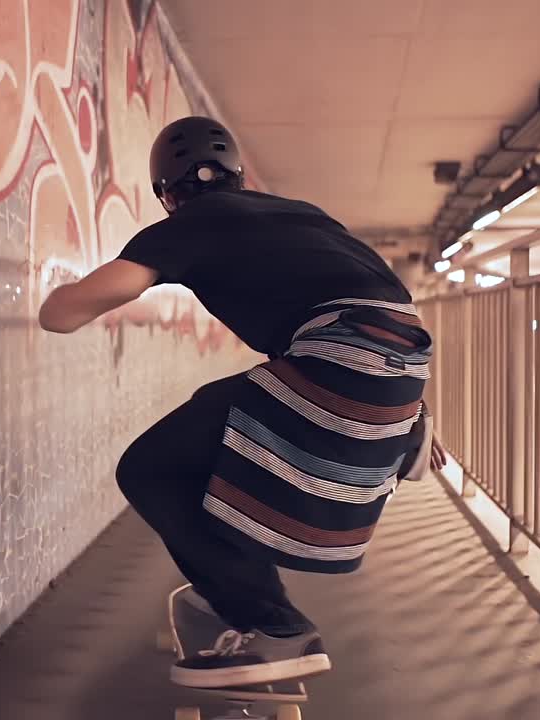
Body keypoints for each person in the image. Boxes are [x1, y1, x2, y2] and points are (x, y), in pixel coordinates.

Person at [37, 116, 433, 689]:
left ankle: (274, 626)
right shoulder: (307, 215)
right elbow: (391, 299)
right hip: (397, 367)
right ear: (240, 178)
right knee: (216, 432)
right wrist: (412, 410)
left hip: (335, 359)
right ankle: (235, 593)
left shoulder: (192, 221)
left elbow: (72, 311)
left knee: (150, 468)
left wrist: (54, 300)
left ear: (167, 194)